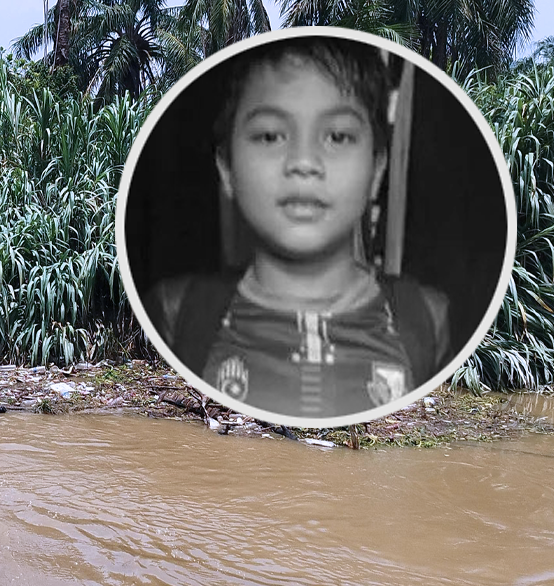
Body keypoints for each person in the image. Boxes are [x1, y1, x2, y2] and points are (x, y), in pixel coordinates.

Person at [145, 36, 449, 418]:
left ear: (377, 169)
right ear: (226, 168)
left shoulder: (428, 320)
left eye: (337, 136)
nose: (304, 162)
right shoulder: (177, 315)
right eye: (271, 135)